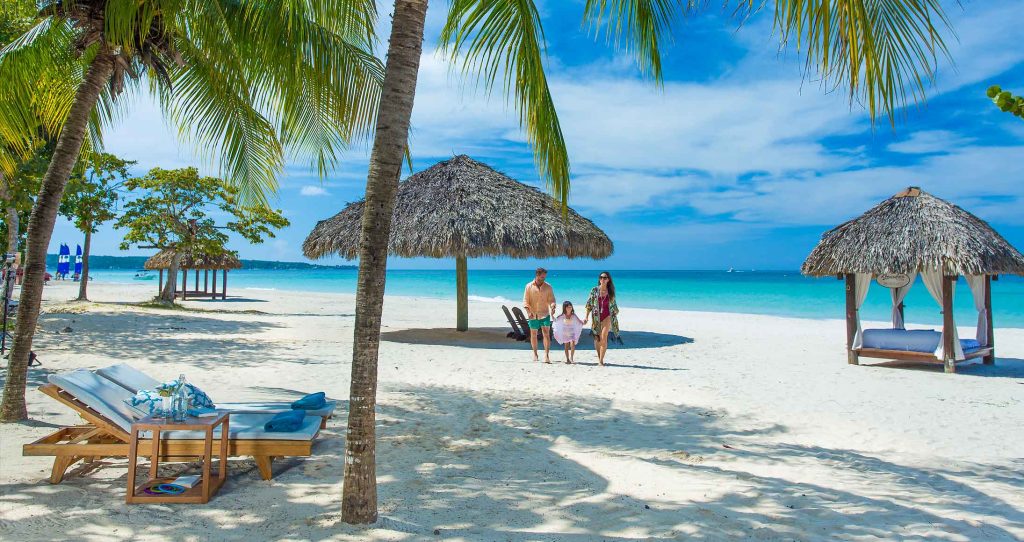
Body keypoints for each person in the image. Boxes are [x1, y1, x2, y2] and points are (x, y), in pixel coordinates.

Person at [584, 271, 619, 366]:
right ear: (599, 279)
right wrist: (586, 316)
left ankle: (601, 361)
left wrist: (615, 312)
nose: (602, 279)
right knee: (597, 338)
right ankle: (599, 357)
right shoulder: (594, 290)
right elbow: (589, 304)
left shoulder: (610, 291)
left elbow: (614, 305)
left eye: (605, 278)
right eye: (601, 277)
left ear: (608, 280)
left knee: (604, 337)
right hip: (596, 317)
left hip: (607, 316)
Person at [522, 267, 556, 363]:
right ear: (537, 275)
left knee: (546, 334)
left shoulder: (548, 286)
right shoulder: (528, 286)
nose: (543, 279)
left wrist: (553, 306)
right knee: (533, 334)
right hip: (533, 314)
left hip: (545, 314)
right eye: (542, 277)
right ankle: (535, 354)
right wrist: (528, 312)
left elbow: (552, 300)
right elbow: (525, 301)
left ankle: (547, 355)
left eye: (544, 277)